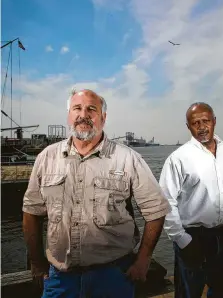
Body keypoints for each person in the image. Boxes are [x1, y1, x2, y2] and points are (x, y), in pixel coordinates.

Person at [22, 89, 171, 298]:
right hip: (60, 278)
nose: (84, 114)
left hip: (114, 277)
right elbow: (31, 212)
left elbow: (156, 210)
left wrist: (143, 260)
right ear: (69, 115)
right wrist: (37, 264)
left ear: (103, 117)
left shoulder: (128, 159)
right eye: (77, 108)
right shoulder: (47, 158)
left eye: (92, 109)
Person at [159, 102, 223, 298]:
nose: (201, 127)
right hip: (193, 237)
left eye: (206, 121)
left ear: (214, 122)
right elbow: (166, 202)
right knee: (189, 292)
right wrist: (182, 240)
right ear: (188, 126)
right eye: (195, 123)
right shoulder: (179, 159)